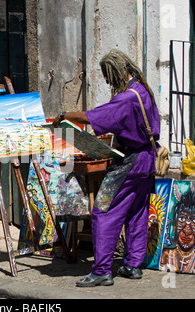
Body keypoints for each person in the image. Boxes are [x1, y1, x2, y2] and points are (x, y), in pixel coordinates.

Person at [53, 49, 161, 287]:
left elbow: (95, 116)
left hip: (130, 162)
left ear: (118, 71)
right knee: (136, 211)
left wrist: (64, 115)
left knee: (104, 210)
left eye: (107, 75)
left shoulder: (127, 98)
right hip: (146, 159)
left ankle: (102, 270)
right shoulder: (143, 91)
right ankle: (132, 265)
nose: (106, 80)